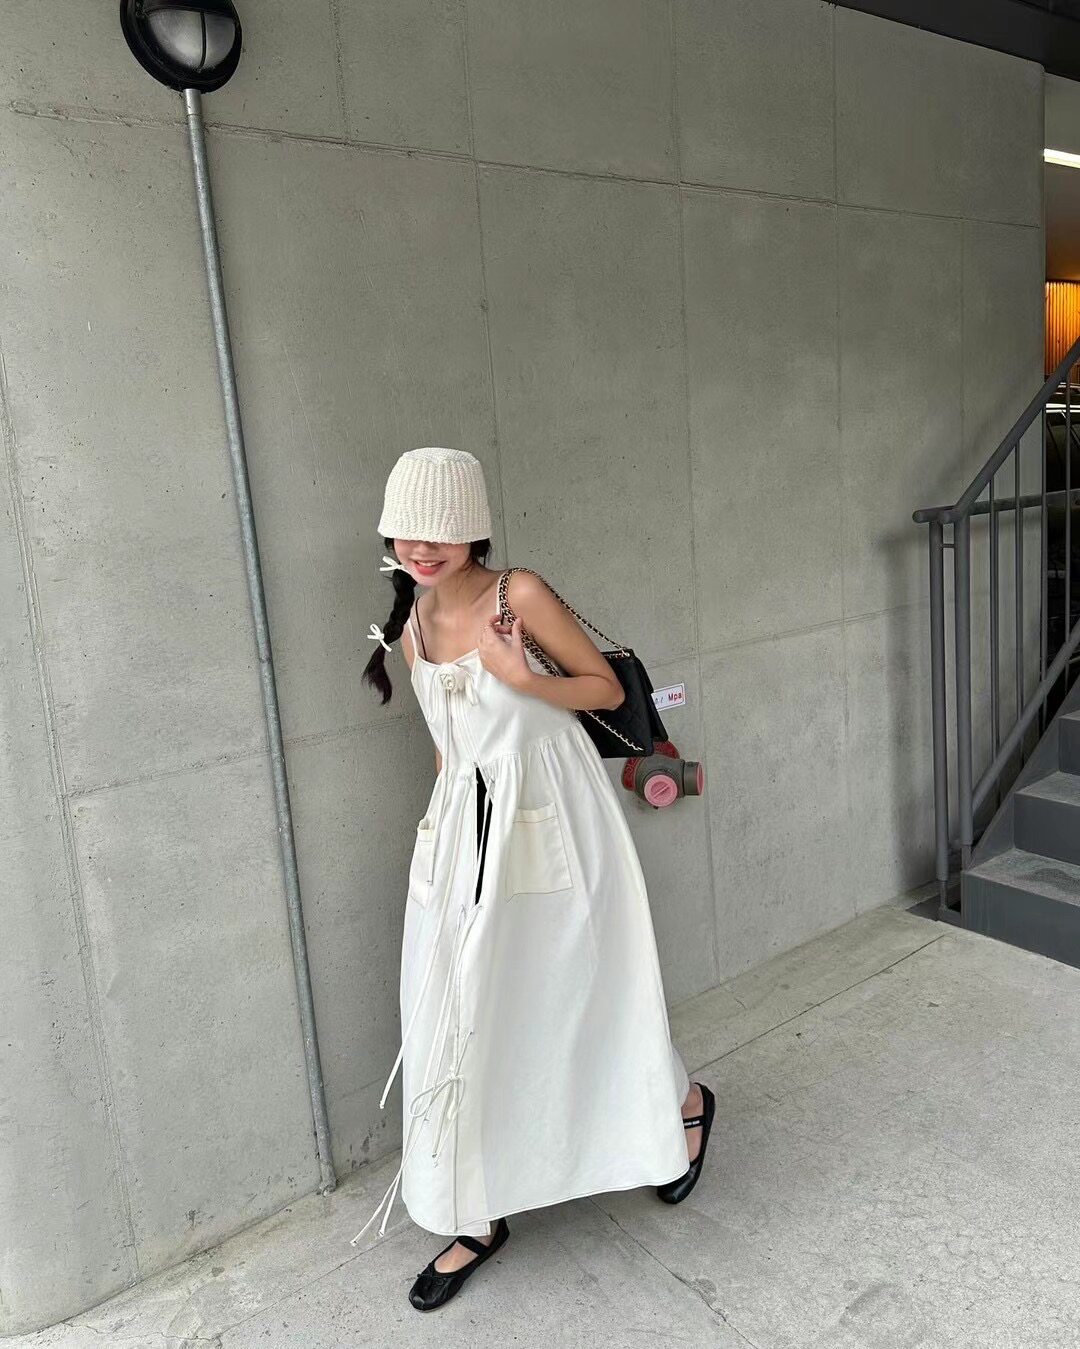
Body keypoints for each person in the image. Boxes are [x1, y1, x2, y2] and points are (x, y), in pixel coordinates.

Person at [355, 446, 715, 1311]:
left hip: (554, 820)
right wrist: (443, 835)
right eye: (406, 531)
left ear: (473, 528)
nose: (421, 547)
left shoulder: (519, 593)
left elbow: (603, 689)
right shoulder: (410, 621)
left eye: (440, 530)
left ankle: (683, 1103)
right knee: (459, 1011)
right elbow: (448, 745)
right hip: (463, 834)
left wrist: (520, 676)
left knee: (583, 992)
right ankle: (474, 1210)